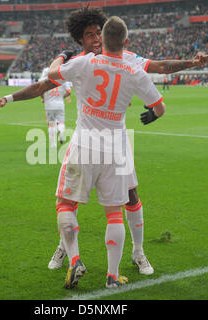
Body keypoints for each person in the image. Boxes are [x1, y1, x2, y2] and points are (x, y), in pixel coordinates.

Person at [0, 7, 208, 276]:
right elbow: (41, 87)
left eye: (98, 33)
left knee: (129, 196)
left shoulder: (122, 57)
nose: (95, 38)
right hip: (93, 139)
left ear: (105, 35)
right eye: (88, 34)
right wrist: (8, 98)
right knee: (75, 200)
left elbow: (161, 66)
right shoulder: (81, 62)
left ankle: (138, 252)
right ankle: (67, 248)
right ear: (80, 40)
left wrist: (192, 63)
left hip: (115, 141)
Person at [47, 16, 166, 288]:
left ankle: (75, 258)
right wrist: (153, 114)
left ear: (102, 38)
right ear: (125, 42)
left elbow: (53, 75)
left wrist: (59, 57)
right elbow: (160, 108)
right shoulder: (134, 71)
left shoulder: (84, 62)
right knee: (114, 212)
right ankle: (112, 277)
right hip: (115, 149)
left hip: (84, 144)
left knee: (65, 204)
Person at [39, 67, 71, 148]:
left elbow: (40, 91)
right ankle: (61, 133)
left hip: (49, 105)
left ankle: (53, 145)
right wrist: (61, 97)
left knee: (51, 124)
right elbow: (69, 92)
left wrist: (43, 98)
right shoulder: (62, 79)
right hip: (60, 104)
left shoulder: (45, 80)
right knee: (61, 122)